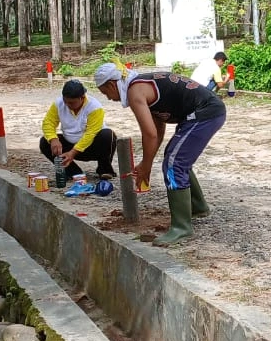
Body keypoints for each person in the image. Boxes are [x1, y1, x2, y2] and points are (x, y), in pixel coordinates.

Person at [93, 62, 226, 244]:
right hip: (204, 110)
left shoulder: (135, 92)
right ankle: (197, 206)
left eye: (104, 92)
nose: (108, 97)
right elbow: (158, 128)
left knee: (174, 161)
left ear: (110, 84)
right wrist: (147, 161)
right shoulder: (141, 84)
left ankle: (182, 227)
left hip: (205, 112)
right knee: (174, 157)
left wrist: (146, 165)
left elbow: (149, 133)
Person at [39, 79, 117, 179]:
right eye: (65, 101)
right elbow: (48, 122)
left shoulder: (95, 107)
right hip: (70, 144)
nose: (67, 105)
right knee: (45, 141)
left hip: (91, 147)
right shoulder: (58, 104)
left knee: (108, 135)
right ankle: (73, 172)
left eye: (71, 103)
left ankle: (105, 170)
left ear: (82, 98)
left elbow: (91, 133)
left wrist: (72, 153)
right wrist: (53, 139)